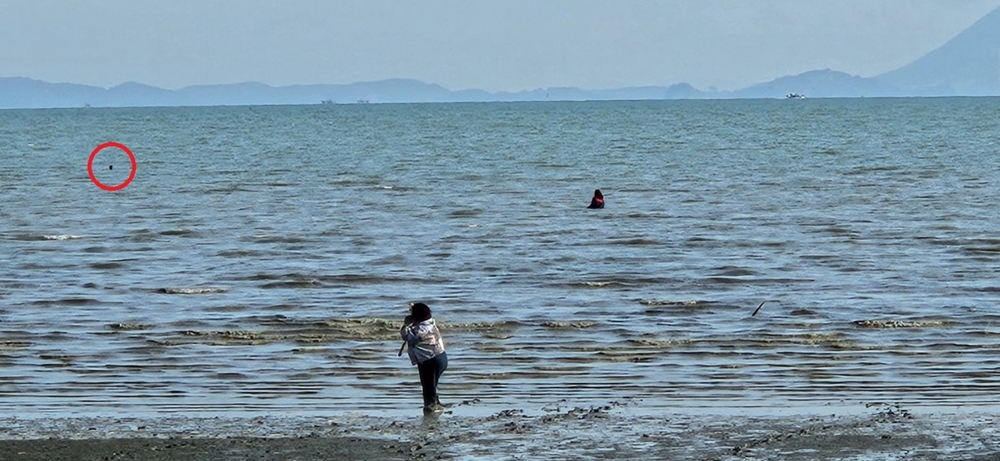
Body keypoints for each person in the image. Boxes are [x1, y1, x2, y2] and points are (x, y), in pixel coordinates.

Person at [400, 302, 448, 414]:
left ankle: (430, 407)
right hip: (440, 357)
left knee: (427, 384)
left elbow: (406, 336)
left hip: (429, 359)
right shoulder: (431, 323)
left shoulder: (420, 330)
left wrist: (405, 325)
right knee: (432, 384)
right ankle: (435, 402)